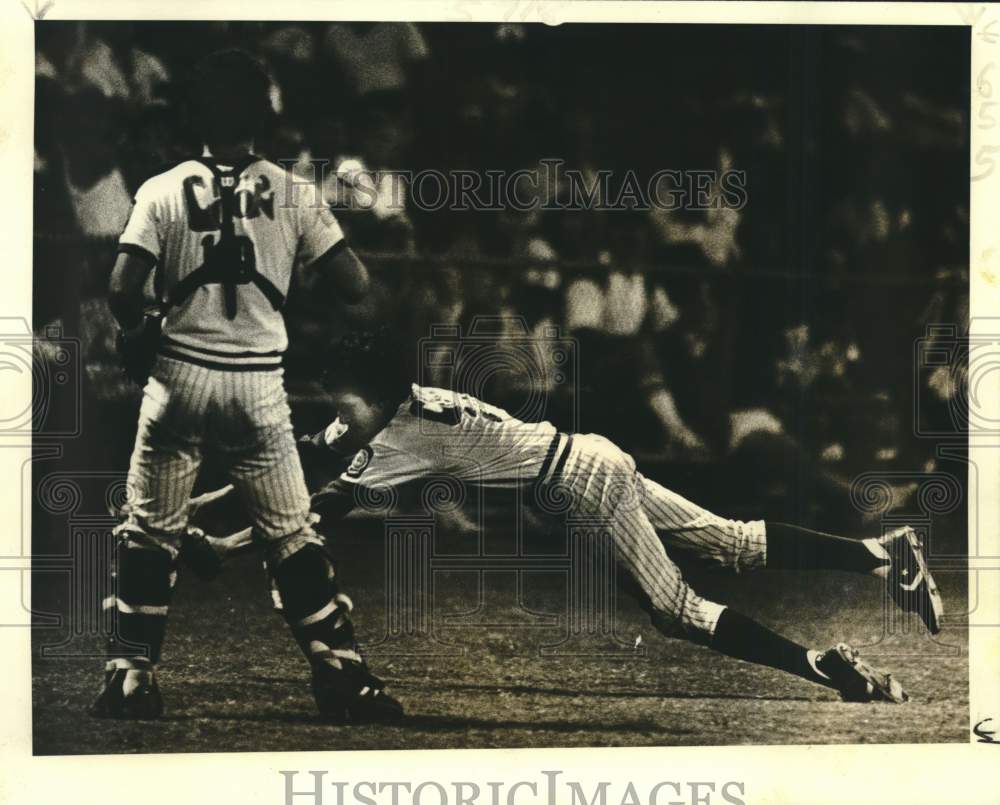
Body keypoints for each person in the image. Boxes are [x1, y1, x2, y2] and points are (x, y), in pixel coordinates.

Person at [186, 329, 945, 706]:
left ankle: (824, 666)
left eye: (339, 394)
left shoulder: (395, 436)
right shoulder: (405, 401)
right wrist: (198, 509)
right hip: (589, 453)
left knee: (677, 609)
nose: (335, 407)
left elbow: (307, 509)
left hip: (580, 482)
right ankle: (882, 553)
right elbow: (311, 451)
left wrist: (216, 546)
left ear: (366, 393)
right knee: (733, 542)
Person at [94, 50, 402, 723]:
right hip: (258, 382)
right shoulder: (294, 189)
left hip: (178, 375)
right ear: (266, 115)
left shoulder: (162, 185)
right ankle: (341, 674)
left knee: (150, 530)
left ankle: (129, 675)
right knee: (292, 532)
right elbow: (355, 286)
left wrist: (139, 325)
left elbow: (121, 288)